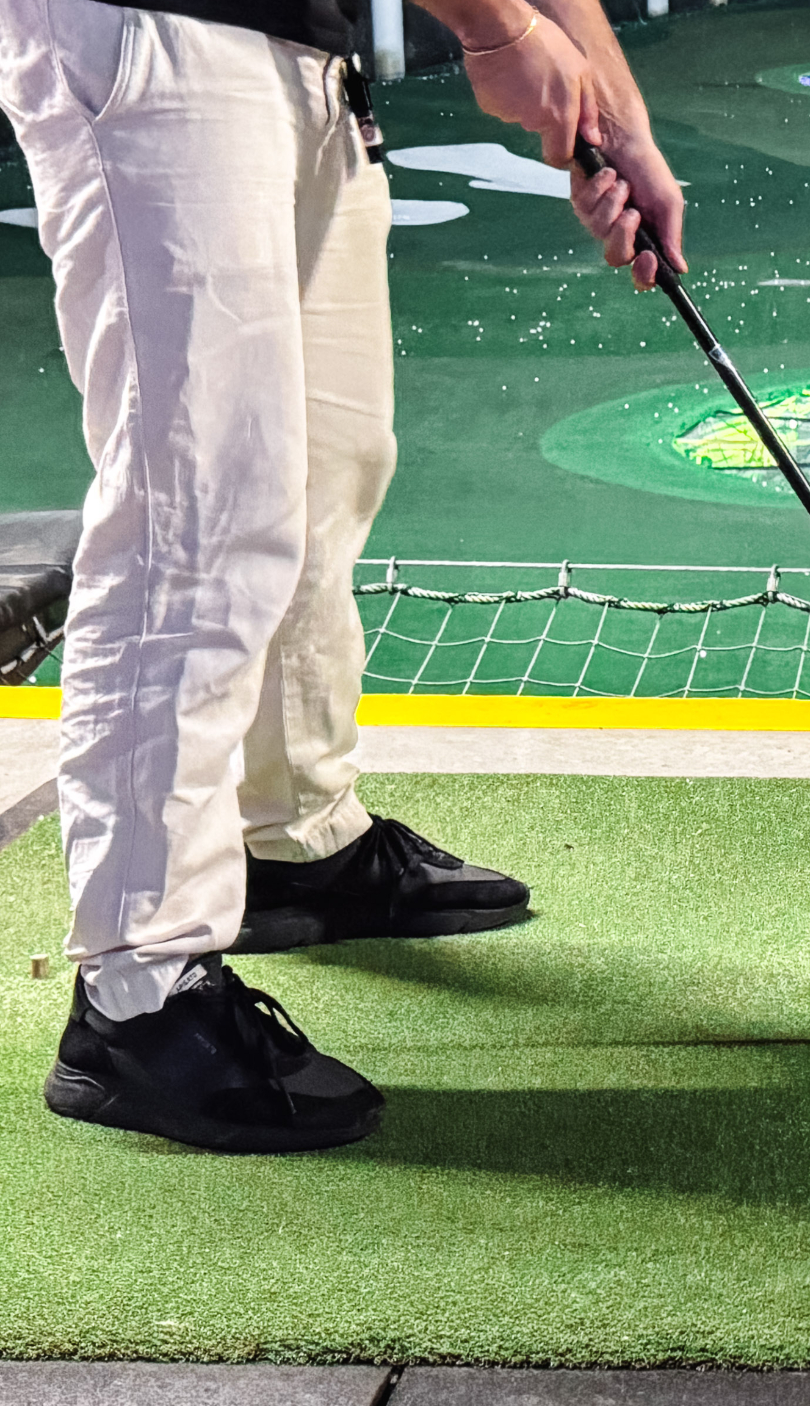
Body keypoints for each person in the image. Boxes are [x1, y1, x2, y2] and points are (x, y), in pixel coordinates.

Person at [0, 0, 684, 1151]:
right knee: (199, 503)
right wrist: (502, 36)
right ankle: (136, 989)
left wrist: (621, 122)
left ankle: (293, 843)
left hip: (302, 51)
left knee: (326, 459)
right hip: (152, 29)